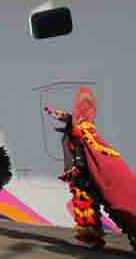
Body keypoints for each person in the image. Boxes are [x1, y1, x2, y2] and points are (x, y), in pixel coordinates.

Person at [46, 88, 136, 250]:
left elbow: (77, 130)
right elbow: (72, 127)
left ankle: (104, 236)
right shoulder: (80, 127)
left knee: (111, 205)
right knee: (86, 206)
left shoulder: (86, 129)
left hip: (92, 175)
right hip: (83, 175)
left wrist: (66, 120)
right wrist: (63, 117)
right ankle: (91, 238)